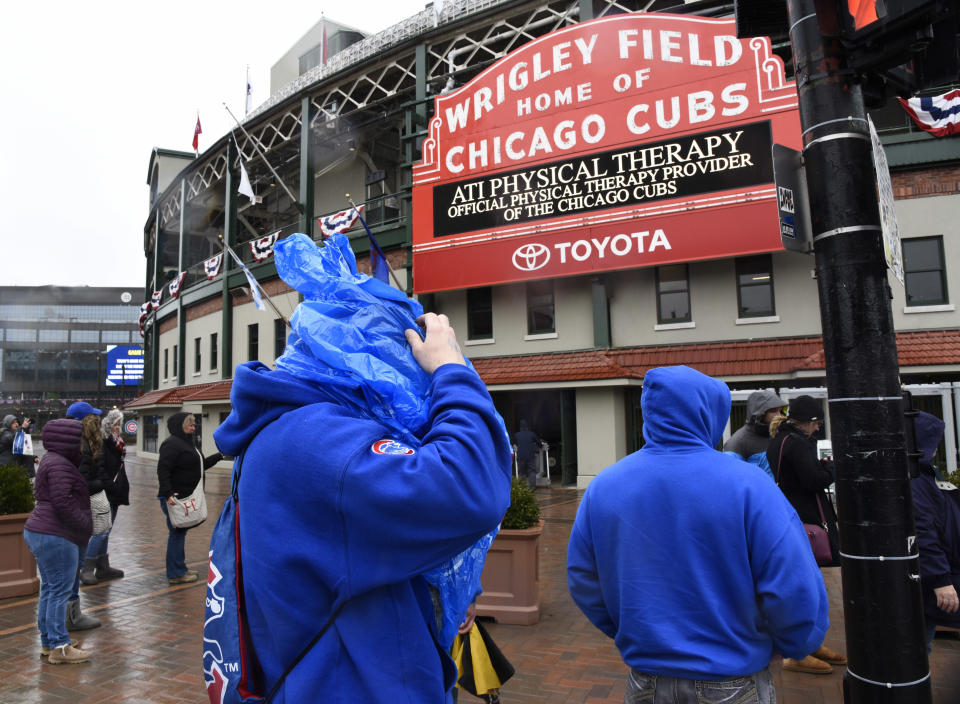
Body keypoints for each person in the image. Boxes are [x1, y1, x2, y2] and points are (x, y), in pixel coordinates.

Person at [213, 312, 513, 702]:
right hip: (352, 686)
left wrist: (452, 595)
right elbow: (470, 486)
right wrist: (451, 370)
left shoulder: (287, 429)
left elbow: (367, 539)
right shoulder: (317, 438)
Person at [567, 365, 829, 703]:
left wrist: (634, 633)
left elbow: (583, 579)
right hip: (732, 679)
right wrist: (794, 644)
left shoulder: (604, 486)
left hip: (645, 681)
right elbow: (794, 585)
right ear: (712, 414)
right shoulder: (748, 485)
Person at [766, 394, 846, 674]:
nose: (819, 428)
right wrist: (831, 467)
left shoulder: (781, 441)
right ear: (810, 422)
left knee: (809, 584)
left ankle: (809, 643)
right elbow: (813, 480)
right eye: (817, 423)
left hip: (794, 517)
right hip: (808, 518)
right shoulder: (798, 445)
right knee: (808, 586)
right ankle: (798, 650)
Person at [22, 418, 93, 664]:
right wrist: (86, 524)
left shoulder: (53, 460)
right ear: (68, 439)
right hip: (56, 535)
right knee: (60, 590)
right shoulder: (60, 464)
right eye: (78, 438)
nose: (82, 443)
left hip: (44, 531)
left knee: (51, 590)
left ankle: (50, 641)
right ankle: (60, 646)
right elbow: (64, 502)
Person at [910, 410, 960, 650]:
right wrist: (941, 580)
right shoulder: (916, 479)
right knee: (918, 646)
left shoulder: (925, 473)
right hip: (932, 579)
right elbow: (922, 530)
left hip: (941, 570)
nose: (939, 449)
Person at [156, 412, 222, 584]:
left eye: (194, 425)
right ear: (180, 426)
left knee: (179, 533)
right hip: (176, 498)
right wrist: (167, 493)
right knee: (177, 534)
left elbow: (200, 466)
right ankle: (176, 573)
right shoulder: (171, 444)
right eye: (190, 425)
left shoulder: (188, 444)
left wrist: (219, 456)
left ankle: (179, 568)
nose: (193, 428)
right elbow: (163, 469)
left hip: (185, 496)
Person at [61, 403, 103, 631]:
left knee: (72, 566)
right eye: (92, 417)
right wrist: (102, 483)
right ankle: (70, 617)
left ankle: (71, 614)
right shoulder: (78, 446)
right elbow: (80, 483)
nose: (97, 422)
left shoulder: (75, 444)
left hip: (76, 513)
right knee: (71, 566)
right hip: (75, 515)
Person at [83, 409, 128, 582]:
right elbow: (101, 468)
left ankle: (102, 566)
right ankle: (87, 568)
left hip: (115, 491)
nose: (117, 428)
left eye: (119, 424)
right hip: (107, 491)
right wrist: (110, 486)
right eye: (115, 424)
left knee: (106, 530)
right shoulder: (104, 442)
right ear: (108, 426)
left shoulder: (118, 443)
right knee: (101, 530)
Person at [722, 390, 785, 480]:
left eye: (780, 411)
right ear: (761, 413)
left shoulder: (777, 435)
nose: (779, 415)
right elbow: (732, 477)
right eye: (773, 411)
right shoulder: (738, 441)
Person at [513, 419, 542, 489]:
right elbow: (540, 444)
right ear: (527, 427)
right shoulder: (532, 434)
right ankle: (532, 487)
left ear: (520, 427)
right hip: (530, 456)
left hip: (520, 456)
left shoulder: (517, 435)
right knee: (531, 471)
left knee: (521, 472)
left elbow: (513, 444)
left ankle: (522, 488)